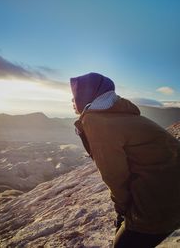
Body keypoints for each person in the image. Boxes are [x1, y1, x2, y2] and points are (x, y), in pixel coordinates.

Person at [70, 72, 180, 248]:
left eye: (75, 96)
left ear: (86, 97)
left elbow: (115, 175)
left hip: (161, 199)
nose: (72, 101)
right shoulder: (120, 114)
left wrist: (123, 211)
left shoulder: (96, 120)